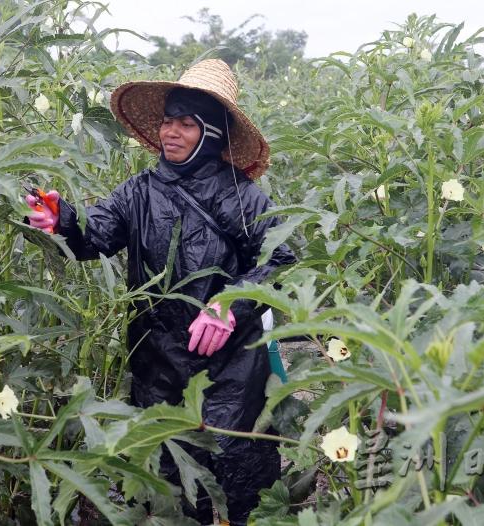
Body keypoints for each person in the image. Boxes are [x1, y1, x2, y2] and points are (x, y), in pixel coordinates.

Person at [25, 59, 296, 525]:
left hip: (230, 360)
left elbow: (282, 261)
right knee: (170, 476)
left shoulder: (245, 197)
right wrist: (63, 219)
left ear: (210, 133)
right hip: (159, 358)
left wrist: (230, 301)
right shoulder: (139, 191)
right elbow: (96, 234)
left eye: (186, 123)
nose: (171, 131)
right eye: (168, 120)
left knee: (235, 465)